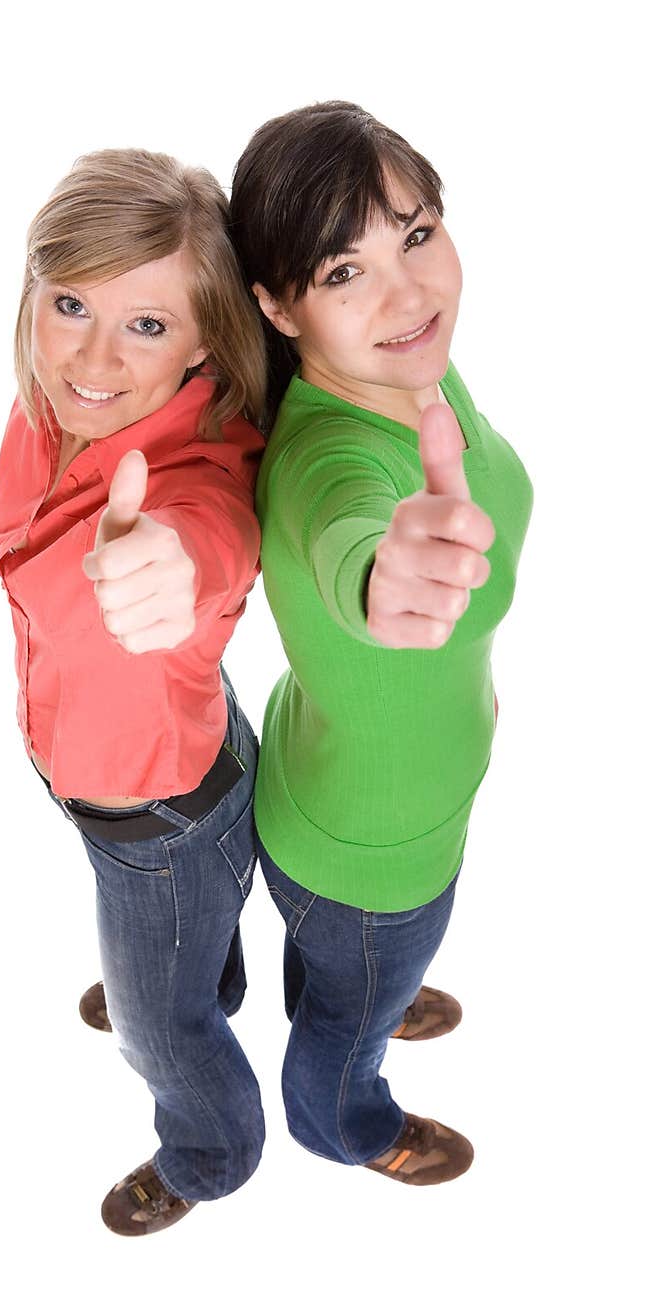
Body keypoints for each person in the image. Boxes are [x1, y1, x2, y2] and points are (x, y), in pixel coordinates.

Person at [228, 101, 534, 1185]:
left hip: (347, 802)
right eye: (343, 271)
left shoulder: (411, 367)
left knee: (354, 972)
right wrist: (383, 578)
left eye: (413, 233)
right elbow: (355, 531)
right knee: (348, 1015)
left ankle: (363, 987)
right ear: (278, 305)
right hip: (370, 854)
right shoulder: (326, 462)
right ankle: (342, 1117)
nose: (409, 293)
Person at [0, 148, 268, 1235]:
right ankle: (205, 981)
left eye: (146, 325)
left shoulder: (189, 480)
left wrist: (175, 568)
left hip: (154, 822)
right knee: (187, 946)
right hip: (167, 765)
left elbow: (209, 546)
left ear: (206, 340)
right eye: (69, 304)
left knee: (155, 1032)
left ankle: (208, 1150)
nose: (92, 357)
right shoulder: (56, 404)